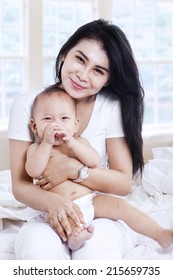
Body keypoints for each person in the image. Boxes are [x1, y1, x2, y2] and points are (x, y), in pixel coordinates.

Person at [8, 18, 146, 259]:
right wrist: (53, 204)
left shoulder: (111, 107)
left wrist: (73, 169)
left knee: (95, 258)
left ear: (108, 79)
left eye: (98, 70)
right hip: (44, 214)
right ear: (64, 55)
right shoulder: (27, 103)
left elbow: (123, 183)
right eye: (80, 59)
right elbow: (20, 186)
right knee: (41, 255)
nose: (83, 75)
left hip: (100, 212)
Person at [25, 84, 173, 251]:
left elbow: (94, 161)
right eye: (47, 119)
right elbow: (33, 171)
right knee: (68, 218)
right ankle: (74, 239)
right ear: (34, 126)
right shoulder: (36, 149)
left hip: (89, 200)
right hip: (57, 206)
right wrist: (46, 143)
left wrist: (73, 143)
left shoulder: (79, 142)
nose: (56, 125)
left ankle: (161, 234)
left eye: (64, 118)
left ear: (76, 125)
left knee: (120, 206)